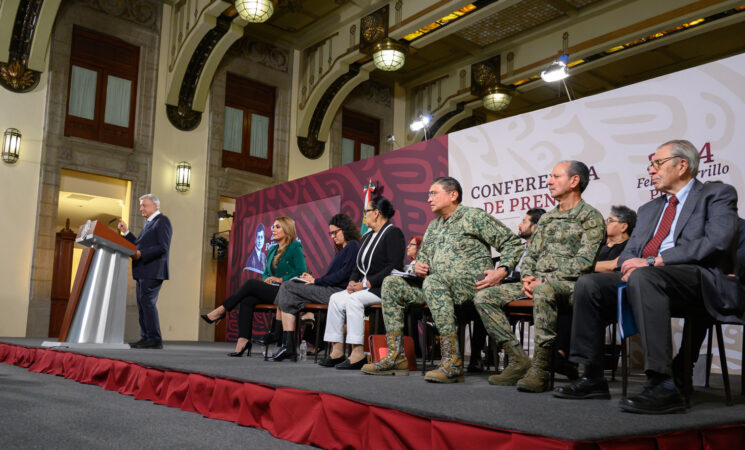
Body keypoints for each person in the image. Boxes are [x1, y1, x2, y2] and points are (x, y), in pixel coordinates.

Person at [554, 140, 742, 414]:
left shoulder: (717, 194)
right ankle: (591, 376)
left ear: (682, 165)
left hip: (697, 276)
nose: (651, 171)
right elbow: (631, 251)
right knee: (589, 283)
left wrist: (655, 261)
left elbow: (719, 240)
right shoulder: (649, 209)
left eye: (658, 164)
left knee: (645, 277)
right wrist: (631, 263)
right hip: (651, 275)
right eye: (650, 166)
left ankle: (663, 384)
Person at [361, 177, 523, 382]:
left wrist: (502, 271)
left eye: (433, 193)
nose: (428, 199)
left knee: (434, 282)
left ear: (453, 195)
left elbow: (512, 243)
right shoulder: (433, 226)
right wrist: (418, 266)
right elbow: (423, 259)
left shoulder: (473, 217)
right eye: (428, 194)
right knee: (391, 284)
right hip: (436, 286)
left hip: (470, 285)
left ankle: (452, 361)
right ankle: (396, 356)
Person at [473, 161, 605, 393]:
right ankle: (518, 360)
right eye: (549, 176)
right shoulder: (547, 218)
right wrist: (527, 278)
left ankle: (541, 368)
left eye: (556, 176)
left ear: (574, 181)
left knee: (545, 291)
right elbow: (531, 255)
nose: (549, 181)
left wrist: (544, 281)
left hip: (571, 286)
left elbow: (584, 263)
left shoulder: (590, 217)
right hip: (537, 283)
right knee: (485, 297)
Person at [201, 217, 307, 357]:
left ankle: (221, 310)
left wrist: (280, 279)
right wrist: (267, 279)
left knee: (251, 284)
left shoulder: (294, 247)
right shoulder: (272, 249)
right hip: (272, 289)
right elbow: (266, 273)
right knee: (247, 300)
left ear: (287, 230)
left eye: (277, 227)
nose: (273, 230)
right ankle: (243, 340)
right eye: (273, 227)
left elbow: (301, 272)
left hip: (286, 291)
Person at [321, 197, 406, 369]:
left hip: (382, 288)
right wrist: (353, 281)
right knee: (336, 299)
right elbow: (358, 266)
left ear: (376, 213)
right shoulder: (367, 236)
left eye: (366, 211)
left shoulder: (393, 233)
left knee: (354, 300)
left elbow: (393, 266)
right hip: (363, 287)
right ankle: (337, 351)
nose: (364, 215)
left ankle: (357, 354)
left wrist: (367, 284)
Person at [266, 214, 362, 362]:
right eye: (330, 233)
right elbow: (334, 276)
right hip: (330, 289)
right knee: (289, 289)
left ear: (345, 229)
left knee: (287, 287)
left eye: (335, 232)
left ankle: (284, 341)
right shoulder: (343, 249)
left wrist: (316, 280)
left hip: (338, 292)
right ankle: (286, 344)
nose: (332, 236)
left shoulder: (353, 245)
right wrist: (311, 279)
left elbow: (344, 275)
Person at [469, 208, 546, 373]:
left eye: (524, 221)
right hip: (508, 284)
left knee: (488, 297)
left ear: (536, 226)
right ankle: (479, 355)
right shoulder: (517, 249)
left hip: (527, 287)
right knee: (480, 293)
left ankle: (511, 354)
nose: (519, 224)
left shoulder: (545, 249)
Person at [118, 194, 173, 349]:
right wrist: (126, 232)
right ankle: (146, 337)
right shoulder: (149, 224)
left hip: (153, 270)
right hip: (143, 271)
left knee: (147, 303)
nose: (141, 208)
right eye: (141, 205)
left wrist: (142, 254)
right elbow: (138, 246)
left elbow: (163, 247)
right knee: (143, 304)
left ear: (154, 206)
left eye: (144, 205)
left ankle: (154, 339)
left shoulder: (162, 221)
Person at [594, 205, 636, 273]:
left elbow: (614, 266)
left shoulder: (631, 247)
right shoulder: (600, 245)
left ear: (623, 227)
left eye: (610, 220)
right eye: (606, 220)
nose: (605, 223)